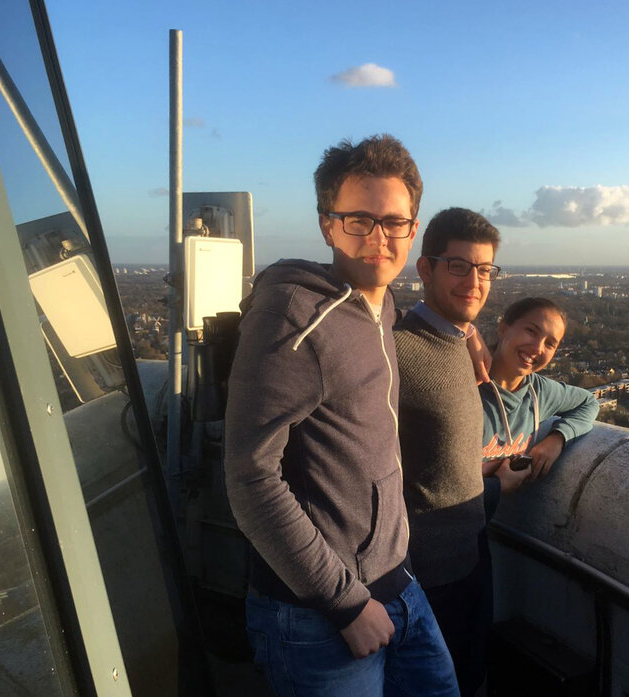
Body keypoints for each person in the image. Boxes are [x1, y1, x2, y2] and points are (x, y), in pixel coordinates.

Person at [224, 135, 459, 697]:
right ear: (328, 226)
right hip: (317, 612)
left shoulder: (382, 306)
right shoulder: (294, 317)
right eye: (359, 220)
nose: (379, 237)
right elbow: (251, 478)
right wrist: (345, 604)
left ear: (412, 228)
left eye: (394, 222)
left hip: (397, 583)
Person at [395, 208, 528, 697]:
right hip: (419, 581)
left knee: (473, 681)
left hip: (470, 556)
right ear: (425, 269)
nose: (475, 281)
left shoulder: (460, 343)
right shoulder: (396, 349)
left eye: (485, 269)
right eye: (459, 266)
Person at [481, 297, 599, 480]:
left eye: (550, 344)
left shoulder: (539, 392)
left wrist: (557, 439)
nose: (537, 347)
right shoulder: (464, 383)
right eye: (531, 331)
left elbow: (589, 403)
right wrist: (496, 487)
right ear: (503, 328)